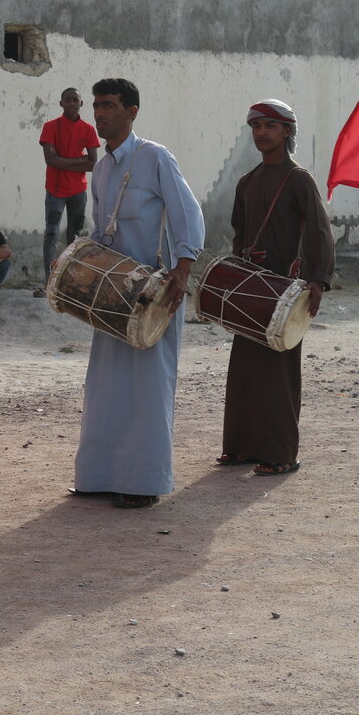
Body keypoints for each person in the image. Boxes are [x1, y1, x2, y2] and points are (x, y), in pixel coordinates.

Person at [72, 79, 204, 509]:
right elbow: (99, 231)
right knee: (106, 385)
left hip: (154, 293)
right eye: (96, 106)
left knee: (148, 386)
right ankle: (98, 478)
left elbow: (188, 214)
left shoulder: (155, 157)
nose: (99, 113)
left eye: (109, 105)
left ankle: (144, 483)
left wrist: (182, 272)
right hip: (112, 293)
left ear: (132, 111)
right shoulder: (102, 168)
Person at [216, 99, 334, 476]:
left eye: (269, 126)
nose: (261, 133)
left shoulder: (299, 178)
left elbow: (318, 229)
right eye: (256, 126)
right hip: (251, 287)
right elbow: (239, 232)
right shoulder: (247, 181)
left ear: (287, 131)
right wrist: (239, 270)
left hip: (284, 291)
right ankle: (240, 448)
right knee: (245, 369)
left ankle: (281, 454)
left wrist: (317, 279)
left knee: (279, 371)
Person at [36, 87, 101, 297]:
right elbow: (49, 160)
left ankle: (70, 283)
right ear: (61, 103)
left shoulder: (89, 130)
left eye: (75, 100)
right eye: (68, 100)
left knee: (74, 237)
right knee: (52, 233)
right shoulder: (50, 127)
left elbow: (93, 164)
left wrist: (62, 162)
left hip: (78, 191)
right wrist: (79, 161)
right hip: (55, 189)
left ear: (81, 104)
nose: (72, 103)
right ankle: (49, 283)